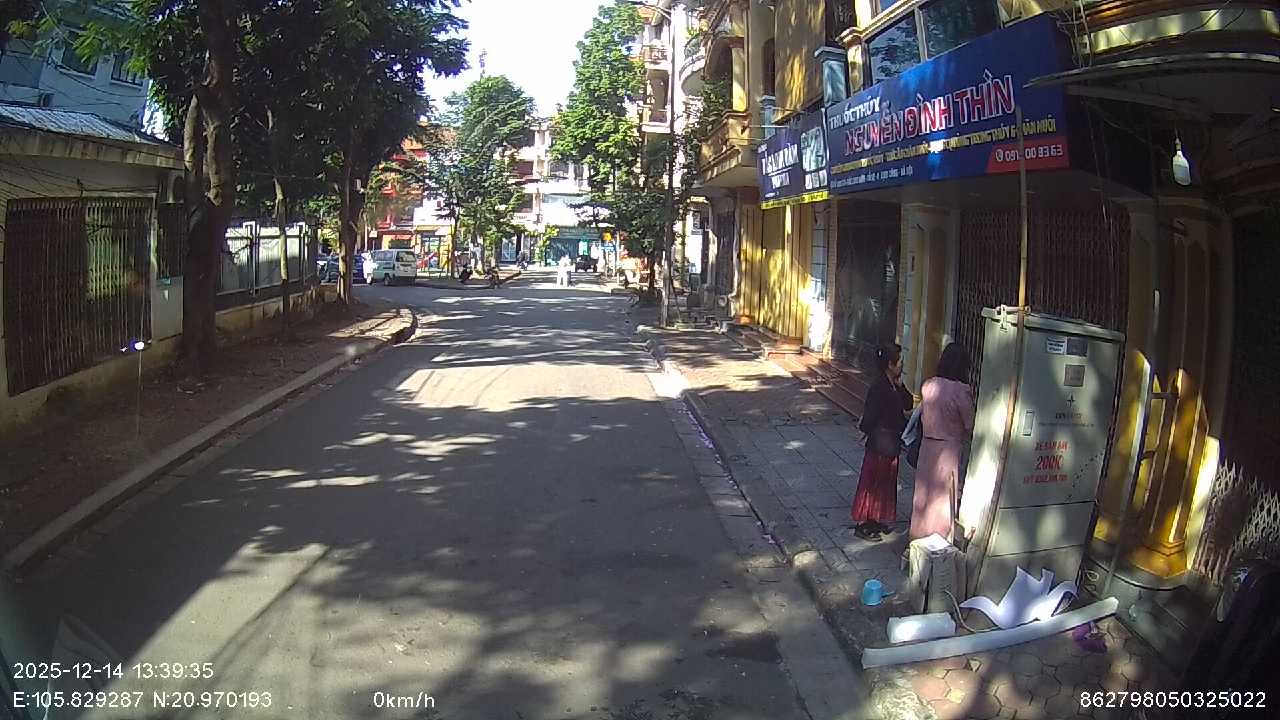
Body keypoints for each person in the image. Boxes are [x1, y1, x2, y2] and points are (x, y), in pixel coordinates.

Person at [909, 343, 976, 542]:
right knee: (943, 499)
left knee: (923, 495)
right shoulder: (961, 391)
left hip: (927, 448)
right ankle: (937, 541)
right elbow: (970, 423)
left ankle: (918, 538)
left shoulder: (928, 385)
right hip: (949, 451)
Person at [851, 343, 913, 541]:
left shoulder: (893, 384)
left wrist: (901, 386)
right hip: (879, 442)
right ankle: (864, 524)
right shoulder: (878, 386)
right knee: (872, 483)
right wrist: (866, 431)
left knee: (885, 484)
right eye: (900, 361)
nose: (902, 365)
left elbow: (908, 404)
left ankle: (876, 518)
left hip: (891, 442)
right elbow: (869, 416)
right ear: (890, 364)